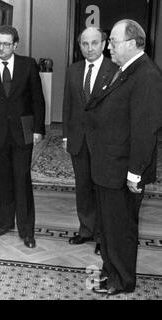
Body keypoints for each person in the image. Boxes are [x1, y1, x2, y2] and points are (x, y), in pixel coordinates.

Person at [87, 19, 162, 296]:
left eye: (113, 42)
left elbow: (145, 129)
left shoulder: (147, 75)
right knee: (107, 227)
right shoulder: (123, 70)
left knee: (120, 229)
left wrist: (135, 173)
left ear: (131, 44)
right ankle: (110, 272)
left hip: (123, 172)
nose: (109, 47)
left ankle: (123, 281)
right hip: (107, 166)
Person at [0, 25, 45, 249]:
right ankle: (4, 222)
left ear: (15, 45)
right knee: (0, 179)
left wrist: (38, 129)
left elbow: (37, 99)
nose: (1, 48)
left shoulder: (28, 65)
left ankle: (27, 230)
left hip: (23, 132)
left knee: (22, 180)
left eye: (6, 44)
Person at [62, 27, 117, 255]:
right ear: (80, 46)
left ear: (104, 44)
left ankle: (102, 236)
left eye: (94, 43)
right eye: (85, 44)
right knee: (83, 188)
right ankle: (86, 230)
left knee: (102, 190)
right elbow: (68, 106)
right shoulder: (73, 70)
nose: (90, 48)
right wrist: (66, 135)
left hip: (104, 143)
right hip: (78, 140)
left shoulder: (115, 69)